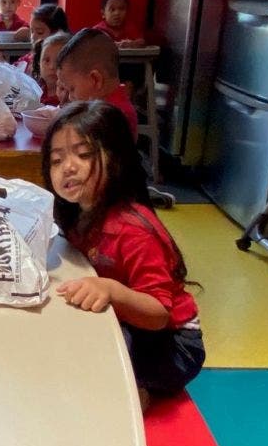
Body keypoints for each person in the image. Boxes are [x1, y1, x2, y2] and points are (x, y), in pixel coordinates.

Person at [40, 101, 205, 412]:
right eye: (56, 160)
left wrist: (111, 291)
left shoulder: (132, 230)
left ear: (115, 158)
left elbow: (158, 313)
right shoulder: (78, 214)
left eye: (83, 154)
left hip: (175, 344)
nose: (68, 167)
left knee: (100, 372)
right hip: (133, 322)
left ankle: (137, 396)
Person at [56, 28, 176, 208]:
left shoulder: (112, 116)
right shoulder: (106, 104)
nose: (70, 97)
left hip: (112, 202)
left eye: (72, 89)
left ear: (95, 80)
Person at [0, 3, 68, 75]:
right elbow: (15, 75)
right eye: (32, 31)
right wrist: (0, 60)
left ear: (58, 34)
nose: (33, 37)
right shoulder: (29, 58)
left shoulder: (64, 64)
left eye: (40, 32)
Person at [37, 32, 70, 106]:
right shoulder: (35, 89)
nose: (52, 67)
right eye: (47, 60)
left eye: (59, 61)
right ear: (39, 63)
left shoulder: (71, 97)